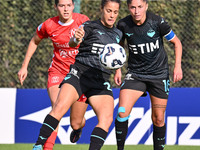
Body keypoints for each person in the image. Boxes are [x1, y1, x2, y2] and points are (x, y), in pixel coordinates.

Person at [31, 0, 122, 149]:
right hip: (79, 75)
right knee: (59, 107)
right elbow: (73, 42)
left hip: (100, 81)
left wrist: (118, 69)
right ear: (101, 9)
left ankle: (79, 130)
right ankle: (39, 145)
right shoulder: (88, 26)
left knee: (103, 119)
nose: (112, 15)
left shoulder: (119, 33)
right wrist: (76, 38)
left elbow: (117, 54)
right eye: (108, 11)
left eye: (115, 12)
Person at [18, 0, 89, 149]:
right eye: (62, 6)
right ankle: (46, 146)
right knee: (56, 109)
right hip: (58, 71)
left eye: (68, 5)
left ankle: (78, 128)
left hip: (79, 75)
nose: (65, 9)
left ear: (73, 6)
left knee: (76, 122)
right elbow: (34, 41)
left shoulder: (83, 21)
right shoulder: (49, 24)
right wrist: (24, 66)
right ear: (55, 7)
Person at [114, 0, 183, 150]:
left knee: (158, 119)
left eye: (140, 7)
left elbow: (177, 43)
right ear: (128, 8)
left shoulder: (158, 22)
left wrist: (177, 66)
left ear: (146, 6)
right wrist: (118, 69)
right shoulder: (123, 24)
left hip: (158, 76)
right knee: (122, 112)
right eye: (133, 7)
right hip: (135, 75)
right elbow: (119, 47)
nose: (136, 11)